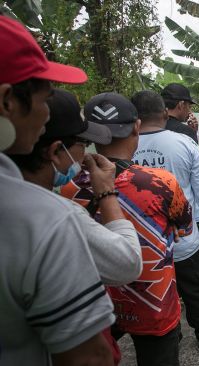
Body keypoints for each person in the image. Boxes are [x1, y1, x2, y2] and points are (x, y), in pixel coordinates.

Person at [0, 15, 115, 365]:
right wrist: (107, 195)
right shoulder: (41, 219)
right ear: (8, 102)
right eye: (45, 99)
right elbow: (88, 357)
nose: (47, 116)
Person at [61, 91, 195, 365]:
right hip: (153, 302)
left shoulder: (67, 188)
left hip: (98, 301)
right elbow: (186, 226)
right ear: (136, 126)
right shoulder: (160, 182)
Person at [129, 90, 199, 353]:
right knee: (196, 289)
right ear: (164, 112)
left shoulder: (124, 145)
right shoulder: (182, 142)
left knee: (156, 292)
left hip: (143, 242)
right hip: (185, 236)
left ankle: (169, 334)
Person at [9, 88, 142, 287]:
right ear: (55, 151)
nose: (85, 153)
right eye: (84, 142)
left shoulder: (10, 195)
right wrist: (106, 193)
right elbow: (127, 264)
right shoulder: (59, 216)